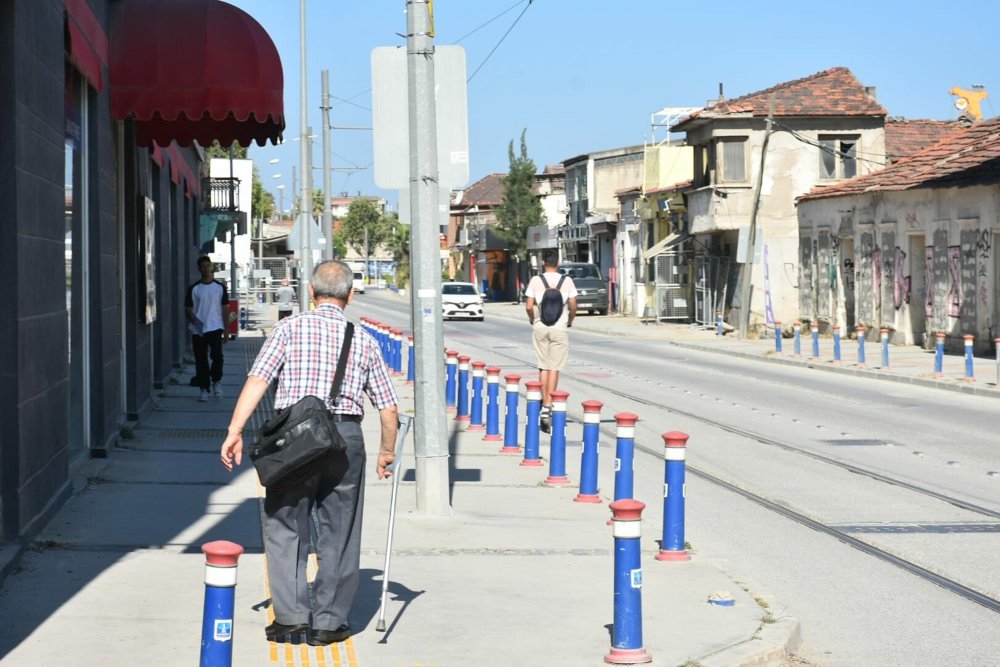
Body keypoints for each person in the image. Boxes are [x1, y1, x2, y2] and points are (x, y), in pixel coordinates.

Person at [219, 260, 399, 646]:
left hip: (294, 438)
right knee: (341, 530)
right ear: (350, 295)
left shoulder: (288, 328)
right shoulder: (364, 339)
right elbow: (388, 408)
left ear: (311, 292)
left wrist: (235, 430)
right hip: (345, 437)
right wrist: (387, 452)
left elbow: (259, 379)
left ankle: (290, 619)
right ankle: (328, 623)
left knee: (285, 522)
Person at [523, 250, 577, 433]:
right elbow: (573, 304)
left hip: (540, 327)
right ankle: (548, 405)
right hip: (559, 328)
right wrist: (570, 320)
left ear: (543, 261)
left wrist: (533, 318)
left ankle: (543, 402)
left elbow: (529, 306)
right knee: (554, 367)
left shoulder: (536, 280)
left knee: (543, 366)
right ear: (558, 262)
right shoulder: (567, 281)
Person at [186, 256, 229, 402]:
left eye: (208, 266)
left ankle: (216, 381)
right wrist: (196, 323)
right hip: (198, 330)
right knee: (201, 360)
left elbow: (225, 310)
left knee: (218, 357)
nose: (206, 268)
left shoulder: (220, 288)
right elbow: (189, 310)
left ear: (212, 267)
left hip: (215, 327)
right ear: (199, 269)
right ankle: (204, 389)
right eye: (203, 266)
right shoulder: (194, 289)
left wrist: (227, 330)